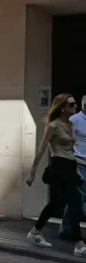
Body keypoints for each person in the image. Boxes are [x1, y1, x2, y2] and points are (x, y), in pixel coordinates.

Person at [27, 94, 86, 257]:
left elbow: (72, 149)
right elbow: (41, 148)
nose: (75, 106)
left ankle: (35, 232)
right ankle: (79, 244)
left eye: (75, 104)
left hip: (70, 167)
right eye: (72, 104)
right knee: (74, 203)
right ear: (62, 107)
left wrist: (77, 169)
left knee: (55, 204)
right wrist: (32, 172)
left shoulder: (70, 124)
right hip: (59, 167)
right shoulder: (53, 125)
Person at [59, 93, 86, 241]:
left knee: (76, 199)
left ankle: (66, 228)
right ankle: (68, 230)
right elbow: (68, 141)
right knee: (80, 197)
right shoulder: (74, 120)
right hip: (79, 163)